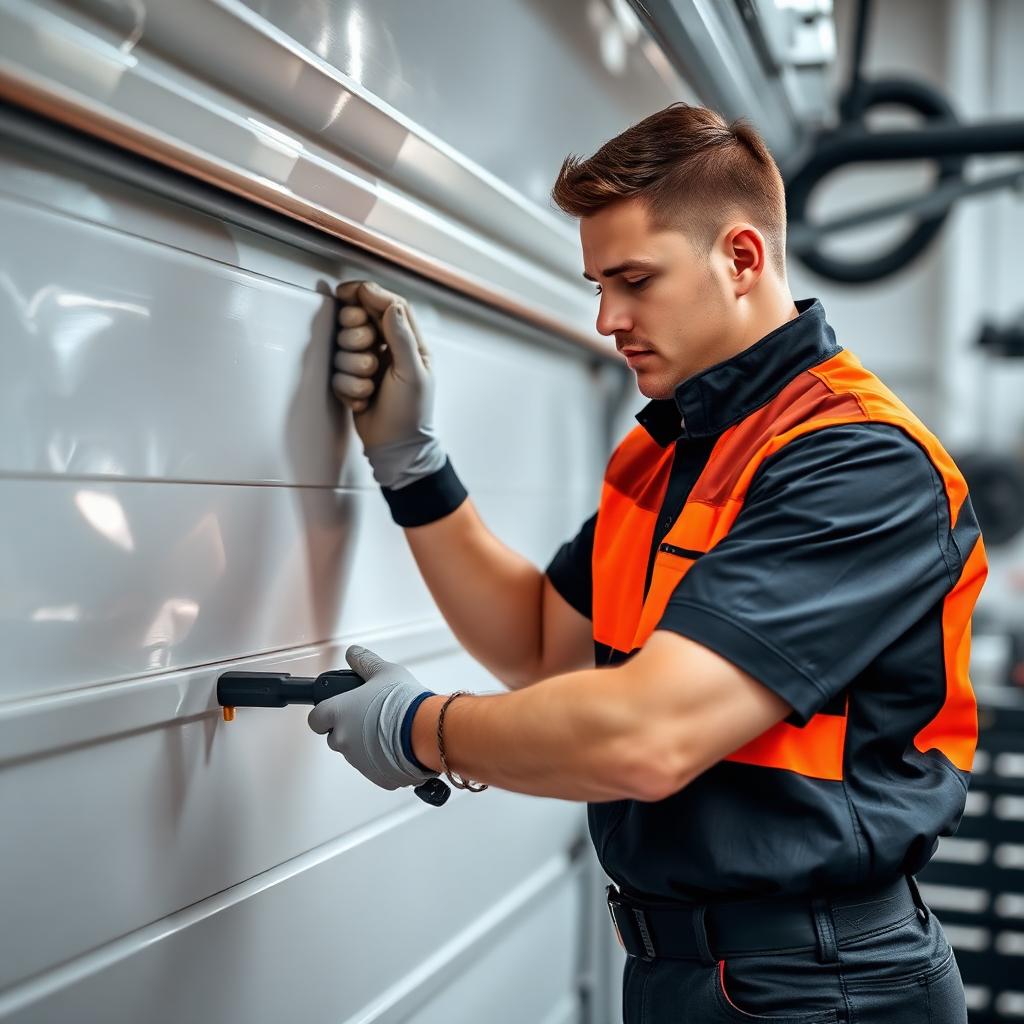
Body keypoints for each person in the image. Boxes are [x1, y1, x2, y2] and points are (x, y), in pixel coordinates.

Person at [307, 103, 987, 1023]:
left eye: (634, 280)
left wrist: (422, 730)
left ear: (741, 258)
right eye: (598, 283)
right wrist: (412, 468)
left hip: (825, 986)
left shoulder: (859, 462)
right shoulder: (667, 454)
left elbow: (649, 737)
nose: (606, 319)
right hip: (685, 974)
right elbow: (541, 647)